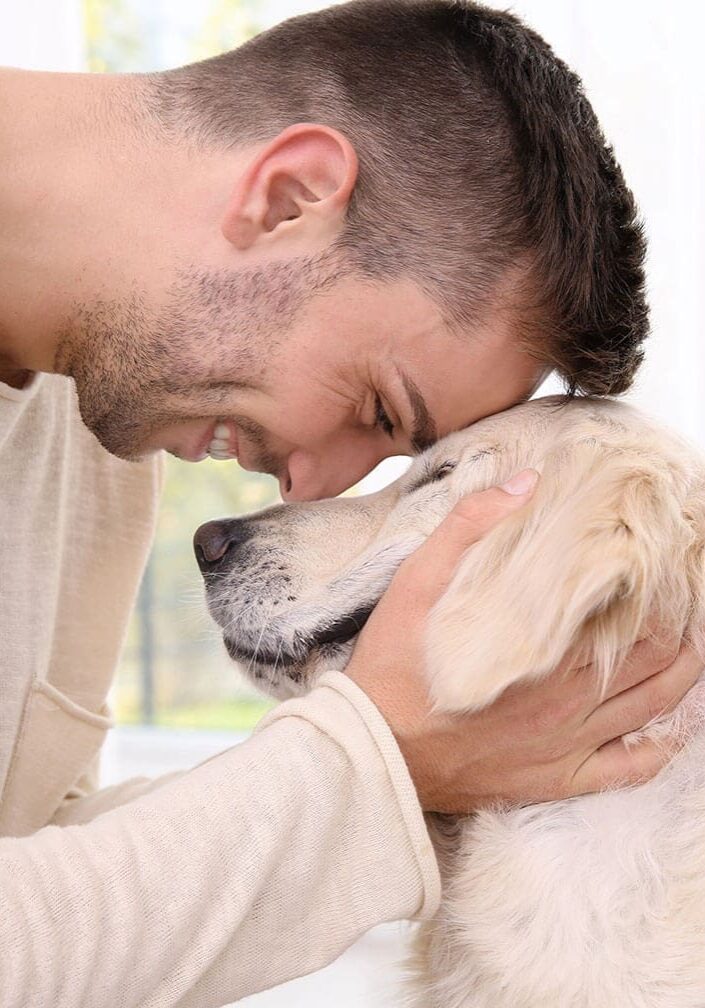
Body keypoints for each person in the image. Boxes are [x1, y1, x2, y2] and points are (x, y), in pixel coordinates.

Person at [0, 1, 700, 1005]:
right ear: (290, 195)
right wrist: (364, 769)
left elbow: (38, 862)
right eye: (378, 407)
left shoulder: (93, 442)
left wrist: (437, 772)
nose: (310, 485)